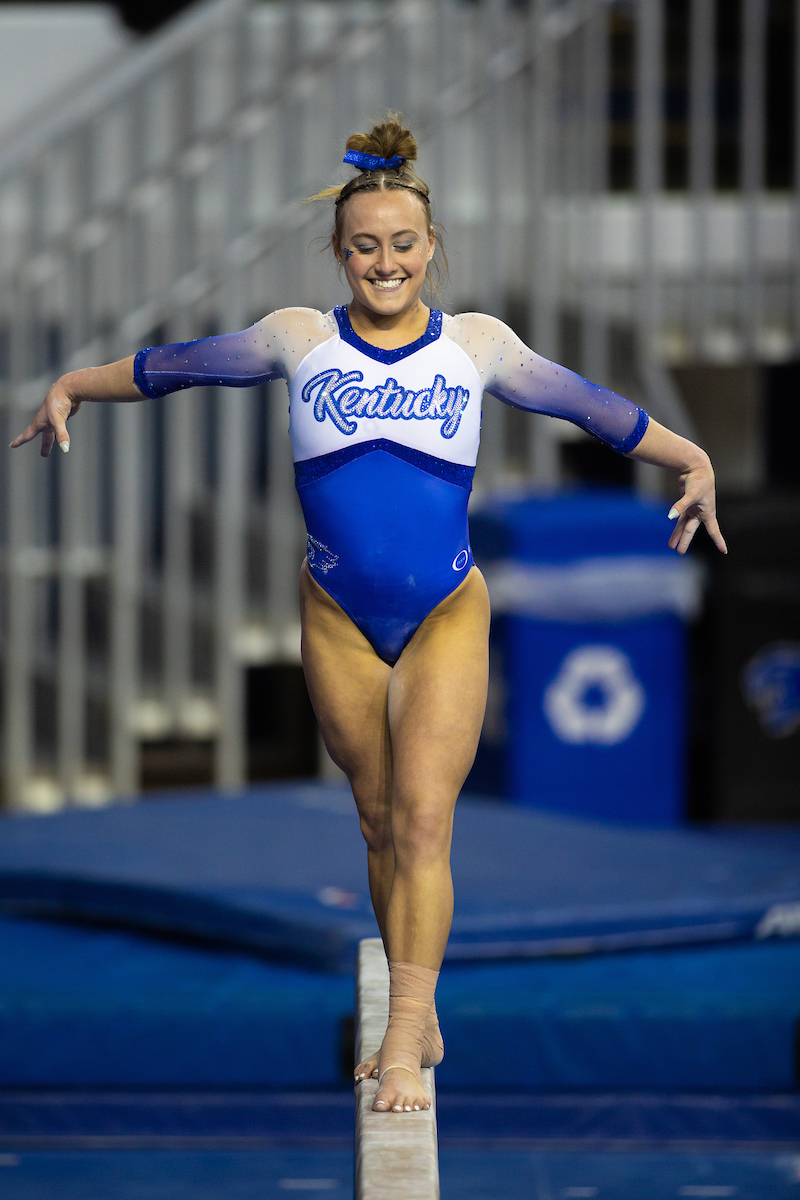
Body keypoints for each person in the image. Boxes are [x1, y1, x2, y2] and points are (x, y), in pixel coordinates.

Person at [11, 116, 727, 1116]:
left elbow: (592, 409)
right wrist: (69, 387)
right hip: (336, 614)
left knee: (425, 820)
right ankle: (412, 997)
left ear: (429, 248)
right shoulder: (295, 337)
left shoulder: (478, 346)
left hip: (442, 609)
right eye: (363, 246)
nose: (383, 262)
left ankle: (406, 1031)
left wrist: (689, 459)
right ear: (339, 253)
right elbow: (171, 366)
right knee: (378, 820)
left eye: (401, 244)